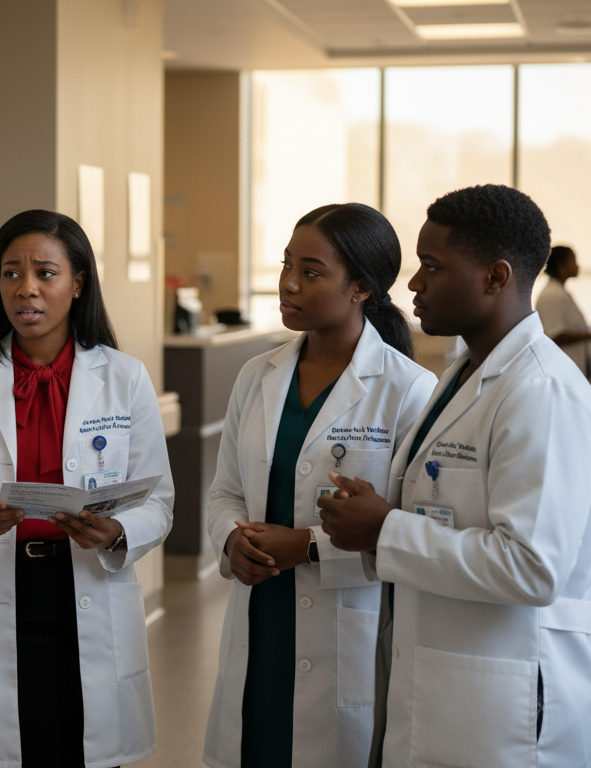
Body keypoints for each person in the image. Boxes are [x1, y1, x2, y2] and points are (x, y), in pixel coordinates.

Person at [316, 185, 591, 768]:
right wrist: (383, 517)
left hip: (507, 710)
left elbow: (532, 567)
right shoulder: (463, 373)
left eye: (432, 267)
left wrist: (387, 530)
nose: (414, 284)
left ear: (496, 277)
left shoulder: (540, 393)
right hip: (444, 689)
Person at [0, 210, 175, 768]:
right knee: (2, 753)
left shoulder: (124, 377)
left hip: (87, 586)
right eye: (10, 274)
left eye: (45, 272)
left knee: (85, 750)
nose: (26, 288)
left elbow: (158, 503)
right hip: (1, 588)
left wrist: (116, 532)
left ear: (78, 282)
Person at [202, 204, 436, 768]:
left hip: (346, 629)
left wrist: (307, 546)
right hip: (259, 617)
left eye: (311, 271)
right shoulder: (258, 376)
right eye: (286, 265)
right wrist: (232, 541)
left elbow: (414, 535)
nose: (288, 283)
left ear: (361, 287)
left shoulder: (408, 390)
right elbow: (225, 492)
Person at [536, 245, 591, 379]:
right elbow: (555, 336)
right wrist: (590, 336)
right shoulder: (551, 295)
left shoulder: (560, 292)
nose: (578, 266)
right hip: (560, 372)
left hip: (571, 370)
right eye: (573, 260)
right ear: (561, 266)